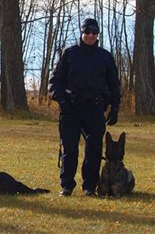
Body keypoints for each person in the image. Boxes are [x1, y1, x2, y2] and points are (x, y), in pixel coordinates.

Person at [49, 18, 121, 197]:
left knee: (94, 149)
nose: (90, 36)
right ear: (82, 33)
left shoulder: (105, 57)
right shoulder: (70, 54)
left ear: (98, 35)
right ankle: (67, 186)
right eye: (87, 32)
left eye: (94, 33)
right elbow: (55, 81)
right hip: (71, 109)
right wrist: (62, 101)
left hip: (95, 108)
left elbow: (114, 85)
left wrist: (115, 108)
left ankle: (90, 187)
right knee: (70, 149)